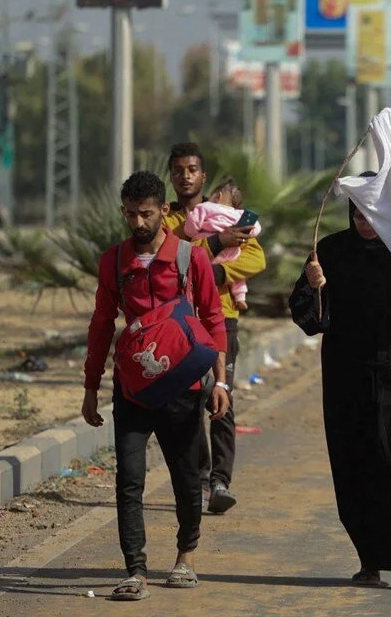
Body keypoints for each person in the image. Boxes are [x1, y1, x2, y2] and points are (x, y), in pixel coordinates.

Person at [287, 191, 391, 589]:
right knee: (355, 464)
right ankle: (369, 558)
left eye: (371, 215)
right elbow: (308, 318)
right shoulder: (330, 251)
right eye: (357, 215)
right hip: (347, 377)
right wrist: (315, 287)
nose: (363, 223)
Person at [81, 171, 229, 600]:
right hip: (131, 387)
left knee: (186, 476)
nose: (138, 223)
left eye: (146, 214)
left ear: (164, 210)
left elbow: (213, 319)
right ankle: (136, 570)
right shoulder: (113, 261)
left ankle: (185, 556)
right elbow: (101, 324)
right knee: (128, 478)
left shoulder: (190, 257)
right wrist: (91, 386)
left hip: (182, 384)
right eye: (130, 214)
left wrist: (221, 381)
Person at [162, 142, 266, 515]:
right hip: (180, 323)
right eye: (178, 170)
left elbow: (256, 255)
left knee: (222, 398)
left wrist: (215, 271)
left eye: (192, 169)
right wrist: (217, 244)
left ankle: (221, 481)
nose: (185, 176)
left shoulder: (227, 213)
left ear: (203, 176)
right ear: (171, 176)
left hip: (222, 319)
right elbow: (171, 258)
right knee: (189, 402)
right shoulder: (167, 219)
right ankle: (202, 476)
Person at [184, 179, 262, 312]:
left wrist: (192, 230)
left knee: (204, 271)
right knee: (237, 274)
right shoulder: (238, 214)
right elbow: (256, 229)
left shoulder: (204, 207)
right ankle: (240, 297)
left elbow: (191, 228)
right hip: (232, 252)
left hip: (209, 249)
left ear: (218, 196)